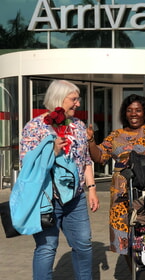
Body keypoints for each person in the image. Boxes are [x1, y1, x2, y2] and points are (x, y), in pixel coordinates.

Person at [18, 80, 99, 280]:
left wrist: (92, 189)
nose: (78, 104)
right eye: (74, 99)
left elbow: (85, 160)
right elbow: (26, 164)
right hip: (46, 200)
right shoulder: (35, 127)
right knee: (47, 248)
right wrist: (52, 151)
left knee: (84, 245)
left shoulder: (78, 126)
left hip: (76, 199)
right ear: (58, 98)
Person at [87, 94, 145, 263]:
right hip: (120, 196)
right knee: (124, 239)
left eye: (138, 110)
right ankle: (132, 272)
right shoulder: (116, 135)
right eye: (129, 110)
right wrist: (90, 141)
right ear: (124, 114)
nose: (134, 114)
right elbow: (100, 157)